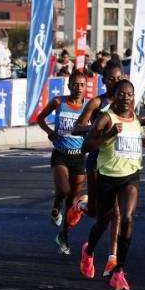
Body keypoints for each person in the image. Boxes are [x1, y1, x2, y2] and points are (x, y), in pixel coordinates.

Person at [79, 80, 145, 290]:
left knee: (127, 217)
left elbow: (138, 140)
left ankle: (119, 270)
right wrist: (109, 134)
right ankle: (89, 250)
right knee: (103, 220)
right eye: (121, 95)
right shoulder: (106, 118)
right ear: (115, 95)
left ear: (133, 97)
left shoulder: (134, 117)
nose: (125, 99)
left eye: (129, 95)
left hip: (130, 176)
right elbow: (86, 146)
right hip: (107, 176)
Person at [75, 63, 126, 276]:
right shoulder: (98, 102)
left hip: (116, 163)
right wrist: (98, 127)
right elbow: (77, 127)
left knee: (116, 212)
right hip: (96, 161)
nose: (114, 82)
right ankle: (81, 204)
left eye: (118, 78)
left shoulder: (126, 104)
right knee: (96, 213)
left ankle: (111, 259)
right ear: (104, 81)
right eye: (111, 79)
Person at [37, 70, 90, 255]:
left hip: (79, 156)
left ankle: (64, 236)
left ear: (86, 87)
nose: (78, 88)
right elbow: (40, 118)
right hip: (60, 154)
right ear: (69, 86)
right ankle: (55, 206)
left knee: (73, 203)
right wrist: (49, 132)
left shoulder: (90, 106)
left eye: (82, 85)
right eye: (75, 84)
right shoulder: (59, 102)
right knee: (63, 190)